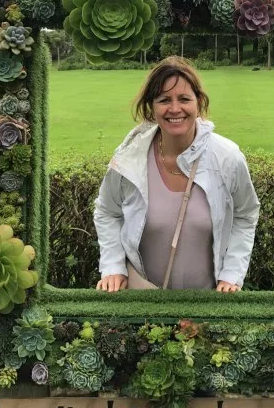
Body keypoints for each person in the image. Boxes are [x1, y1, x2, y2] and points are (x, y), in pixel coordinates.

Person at [94, 57, 260, 292]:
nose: (174, 109)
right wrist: (113, 267)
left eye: (184, 99)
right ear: (152, 106)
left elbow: (245, 215)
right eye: (164, 100)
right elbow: (107, 212)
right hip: (142, 300)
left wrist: (231, 274)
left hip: (207, 304)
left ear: (199, 102)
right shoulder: (129, 157)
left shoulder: (227, 157)